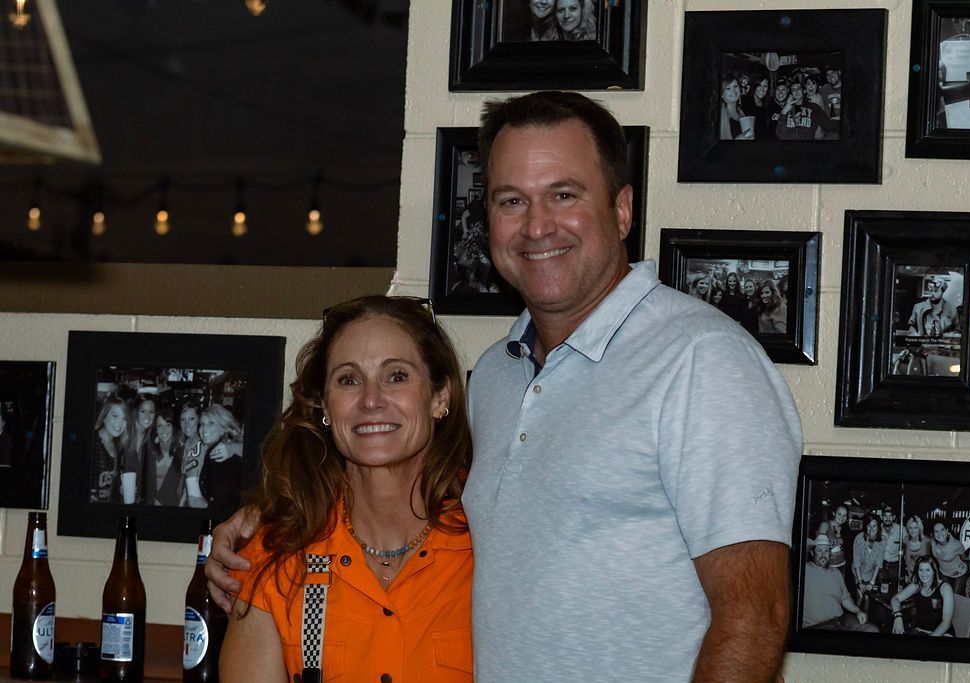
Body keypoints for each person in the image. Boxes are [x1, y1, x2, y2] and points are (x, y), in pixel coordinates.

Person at [209, 91, 802, 680]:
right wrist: (271, 517)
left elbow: (755, 617)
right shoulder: (498, 373)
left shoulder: (701, 359)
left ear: (622, 210)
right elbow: (405, 473)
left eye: (564, 195)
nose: (537, 226)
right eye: (512, 200)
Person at [219, 296, 472, 681]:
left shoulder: (488, 541)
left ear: (440, 397)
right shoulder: (277, 556)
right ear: (325, 405)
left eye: (397, 376)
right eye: (348, 380)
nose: (371, 400)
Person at [803, 535, 878, 632]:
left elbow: (845, 598)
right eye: (819, 550)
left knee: (872, 629)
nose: (823, 554)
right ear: (812, 553)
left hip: (841, 620)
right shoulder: (805, 569)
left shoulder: (836, 572)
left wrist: (858, 611)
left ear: (830, 554)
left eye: (826, 551)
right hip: (818, 625)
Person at [891, 556, 954, 636]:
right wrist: (898, 616)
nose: (924, 574)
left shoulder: (945, 588)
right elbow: (895, 599)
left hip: (942, 633)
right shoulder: (917, 585)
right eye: (921, 570)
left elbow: (946, 623)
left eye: (927, 570)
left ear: (934, 571)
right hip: (921, 630)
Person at [144, 406, 185, 506]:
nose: (164, 430)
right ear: (156, 429)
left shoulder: (182, 451)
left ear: (173, 427)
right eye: (160, 426)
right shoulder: (150, 452)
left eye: (168, 425)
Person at [90, 397, 128, 503]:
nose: (120, 423)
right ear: (104, 417)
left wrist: (120, 490)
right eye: (115, 416)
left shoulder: (118, 446)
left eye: (124, 418)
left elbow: (110, 484)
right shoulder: (93, 442)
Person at [121, 396, 156, 504]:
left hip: (139, 503)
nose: (147, 416)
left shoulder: (151, 442)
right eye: (143, 411)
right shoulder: (123, 434)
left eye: (151, 412)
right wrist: (117, 484)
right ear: (136, 412)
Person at [851, 514, 884, 604]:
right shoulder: (859, 538)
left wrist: (872, 582)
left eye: (874, 526)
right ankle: (857, 612)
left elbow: (878, 562)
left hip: (870, 572)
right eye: (869, 525)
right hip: (858, 571)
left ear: (878, 527)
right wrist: (860, 581)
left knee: (867, 598)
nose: (871, 529)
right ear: (866, 526)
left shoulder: (882, 541)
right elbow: (856, 561)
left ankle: (865, 613)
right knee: (860, 597)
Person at [931, 519, 968, 595]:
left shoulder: (956, 544)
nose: (940, 534)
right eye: (936, 531)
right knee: (944, 596)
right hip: (943, 573)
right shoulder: (932, 543)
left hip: (958, 574)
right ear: (933, 534)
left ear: (947, 530)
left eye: (942, 530)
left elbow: (964, 558)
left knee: (955, 597)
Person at [877, 505, 905, 592]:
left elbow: (907, 545)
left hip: (896, 566)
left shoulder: (901, 529)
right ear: (881, 517)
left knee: (894, 590)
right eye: (885, 516)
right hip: (880, 565)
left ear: (894, 517)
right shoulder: (877, 528)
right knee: (881, 591)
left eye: (890, 516)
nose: (887, 518)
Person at [719, 75, 754, 140]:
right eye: (728, 88)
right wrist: (737, 139)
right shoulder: (723, 111)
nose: (733, 91)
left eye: (735, 86)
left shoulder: (739, 110)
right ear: (722, 94)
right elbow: (723, 143)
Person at [902, 514, 932, 586]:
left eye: (915, 528)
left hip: (924, 574)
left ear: (919, 529)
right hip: (910, 573)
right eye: (910, 528)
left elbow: (928, 561)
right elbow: (905, 560)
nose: (913, 531)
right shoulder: (905, 540)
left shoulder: (927, 541)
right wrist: (906, 575)